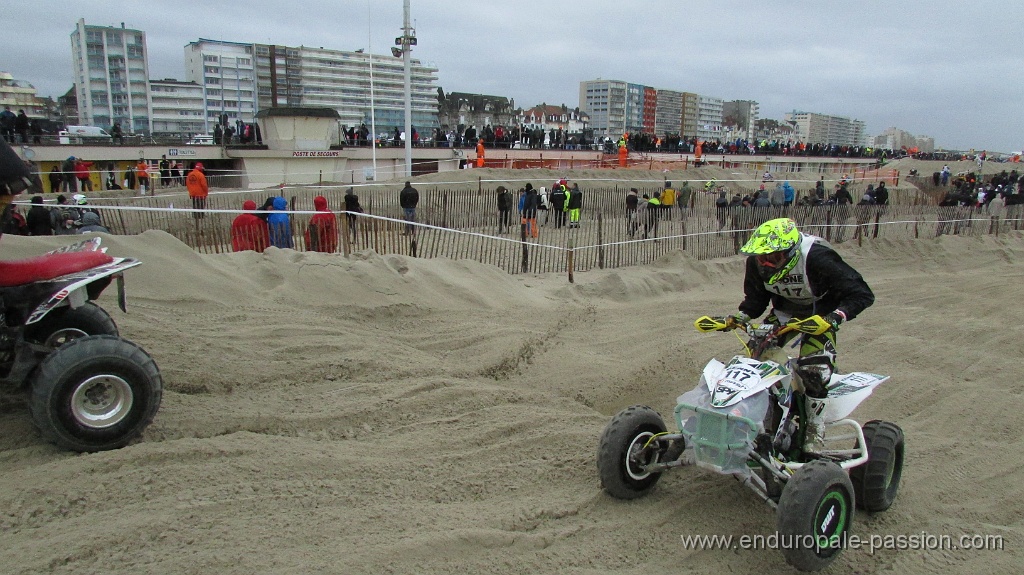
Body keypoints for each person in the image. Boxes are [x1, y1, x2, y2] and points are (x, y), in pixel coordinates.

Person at [722, 218, 874, 453]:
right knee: (753, 364)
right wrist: (740, 317)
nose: (766, 263)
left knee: (815, 370)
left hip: (819, 315)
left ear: (790, 251)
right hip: (784, 312)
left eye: (773, 258)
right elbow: (756, 299)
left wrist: (835, 317)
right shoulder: (756, 262)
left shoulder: (817, 258)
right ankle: (753, 417)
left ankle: (814, 425)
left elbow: (862, 294)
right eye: (762, 258)